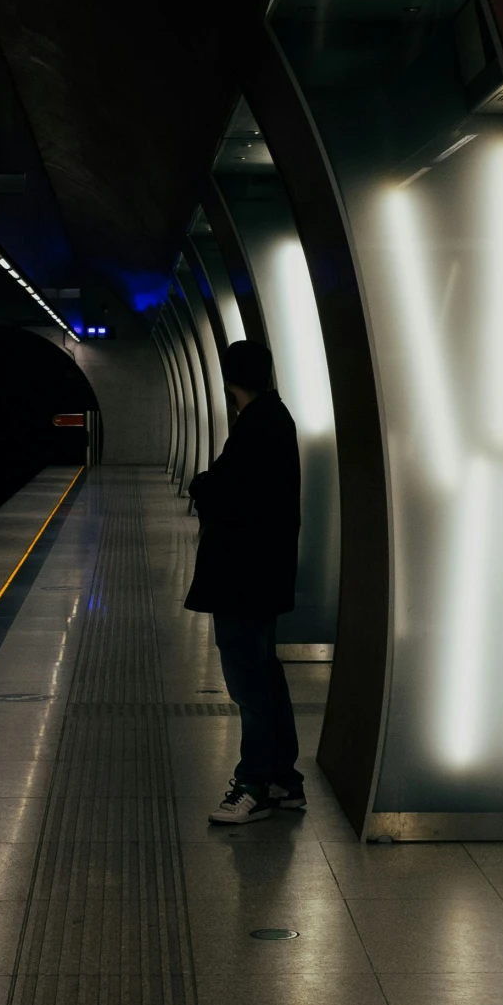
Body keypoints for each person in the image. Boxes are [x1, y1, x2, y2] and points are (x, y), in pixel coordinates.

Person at [185, 340, 305, 824]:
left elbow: (227, 494)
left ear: (228, 378)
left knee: (249, 684)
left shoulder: (257, 426)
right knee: (266, 677)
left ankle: (252, 782)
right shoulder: (275, 419)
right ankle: (283, 780)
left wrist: (201, 485)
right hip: (262, 573)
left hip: (243, 575)